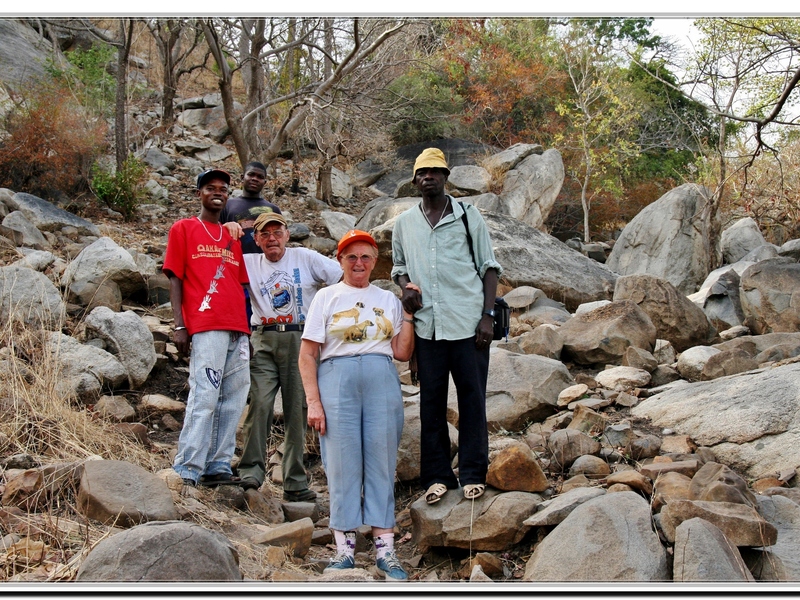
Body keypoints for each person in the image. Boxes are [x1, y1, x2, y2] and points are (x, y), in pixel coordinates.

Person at [298, 230, 417, 581]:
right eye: (351, 257)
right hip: (336, 377)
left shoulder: (387, 298)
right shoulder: (326, 297)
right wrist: (313, 402)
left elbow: (402, 352)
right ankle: (344, 550)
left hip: (381, 376)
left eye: (365, 257)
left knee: (382, 459)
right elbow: (307, 354)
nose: (359, 263)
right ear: (340, 261)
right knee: (341, 462)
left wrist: (409, 315)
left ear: (375, 261)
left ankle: (386, 551)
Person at [391, 148, 503, 504]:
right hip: (429, 329)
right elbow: (398, 266)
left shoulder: (469, 217)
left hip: (469, 325)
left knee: (472, 401)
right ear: (415, 181)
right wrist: (406, 287)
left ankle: (473, 473)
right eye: (422, 172)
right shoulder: (405, 223)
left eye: (435, 171)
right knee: (431, 404)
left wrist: (487, 316)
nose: (429, 177)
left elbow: (489, 267)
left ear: (446, 176)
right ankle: (437, 477)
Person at [237, 212, 343, 501]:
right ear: (257, 240)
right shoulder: (248, 263)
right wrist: (231, 229)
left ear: (286, 234)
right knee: (259, 404)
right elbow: (216, 262)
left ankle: (294, 482)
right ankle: (250, 475)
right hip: (264, 338)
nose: (272, 238)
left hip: (300, 338)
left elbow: (340, 275)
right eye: (265, 234)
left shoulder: (305, 257)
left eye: (277, 232)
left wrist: (327, 318)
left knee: (298, 410)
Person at [163, 168, 251, 489]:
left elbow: (241, 284)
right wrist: (179, 325)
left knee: (235, 397)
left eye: (224, 189)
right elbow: (175, 277)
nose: (218, 192)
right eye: (210, 188)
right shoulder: (184, 229)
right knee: (206, 392)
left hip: (238, 327)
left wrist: (248, 329)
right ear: (199, 193)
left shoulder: (231, 236)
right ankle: (188, 465)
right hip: (206, 324)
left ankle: (218, 463)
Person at [221, 161, 283, 323]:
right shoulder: (228, 205)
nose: (255, 179)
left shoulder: (273, 209)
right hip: (236, 271)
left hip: (266, 272)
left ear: (265, 182)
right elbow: (216, 235)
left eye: (260, 177)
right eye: (251, 175)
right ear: (242, 177)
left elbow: (279, 239)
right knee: (239, 318)